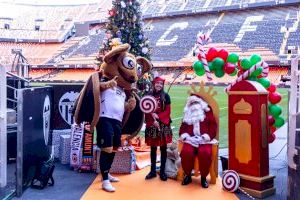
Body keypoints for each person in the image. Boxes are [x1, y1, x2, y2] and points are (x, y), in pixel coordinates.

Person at [179, 94, 217, 188]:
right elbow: (182, 129)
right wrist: (186, 136)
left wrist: (206, 136)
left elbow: (213, 126)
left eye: (196, 102)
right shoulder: (187, 114)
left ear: (200, 103)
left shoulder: (207, 111)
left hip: (204, 140)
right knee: (186, 152)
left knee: (205, 153)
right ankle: (188, 175)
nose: (194, 105)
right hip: (190, 139)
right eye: (192, 103)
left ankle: (203, 177)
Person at [144, 76, 172, 181]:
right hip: (152, 125)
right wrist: (152, 122)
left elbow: (168, 112)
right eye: (157, 83)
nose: (159, 85)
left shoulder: (166, 96)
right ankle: (152, 171)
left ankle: (163, 172)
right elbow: (146, 110)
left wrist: (159, 118)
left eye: (161, 84)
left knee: (163, 148)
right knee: (153, 148)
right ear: (154, 84)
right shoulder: (148, 95)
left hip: (163, 124)